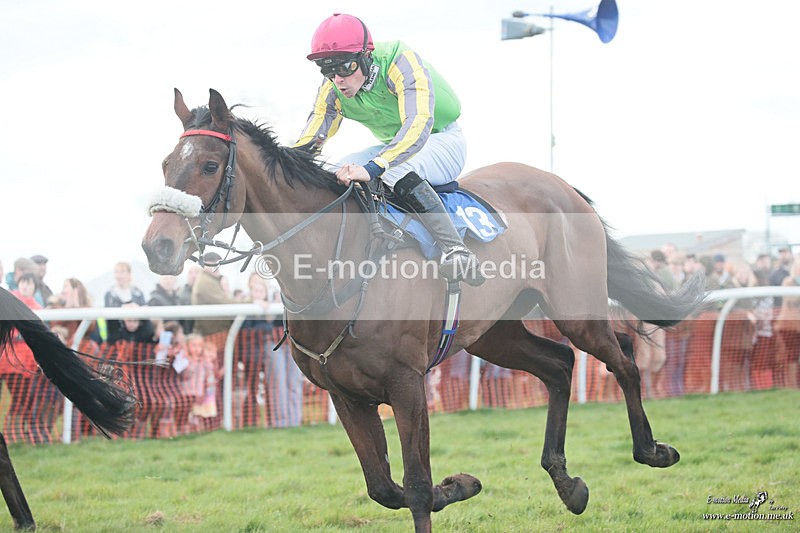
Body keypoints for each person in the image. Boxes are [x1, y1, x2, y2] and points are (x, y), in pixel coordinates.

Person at [295, 13, 483, 286]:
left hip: (442, 139)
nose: (338, 80)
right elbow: (310, 140)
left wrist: (374, 167)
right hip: (395, 145)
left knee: (393, 169)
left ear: (365, 56)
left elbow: (418, 126)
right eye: (328, 71)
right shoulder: (333, 87)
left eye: (344, 68)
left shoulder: (400, 62)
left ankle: (456, 249)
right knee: (337, 170)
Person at [0, 273, 40, 443]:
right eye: (23, 282)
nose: (25, 286)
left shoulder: (37, 307)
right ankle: (12, 432)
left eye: (29, 283)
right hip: (10, 361)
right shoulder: (9, 300)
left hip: (28, 361)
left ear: (34, 287)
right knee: (19, 398)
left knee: (24, 399)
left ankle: (16, 432)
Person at [191, 253, 238, 337]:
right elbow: (225, 302)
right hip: (212, 334)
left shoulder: (208, 279)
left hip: (214, 332)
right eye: (214, 263)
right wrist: (251, 302)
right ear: (205, 264)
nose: (217, 267)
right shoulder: (206, 282)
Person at [104, 262, 147, 344]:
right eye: (116, 272)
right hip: (117, 340)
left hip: (138, 340)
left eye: (122, 272)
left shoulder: (138, 292)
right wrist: (122, 308)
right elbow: (108, 316)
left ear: (129, 274)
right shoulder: (109, 294)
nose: (118, 275)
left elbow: (145, 313)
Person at [775, 256, 800, 389]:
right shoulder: (788, 281)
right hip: (789, 325)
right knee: (791, 355)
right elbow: (790, 300)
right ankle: (791, 385)